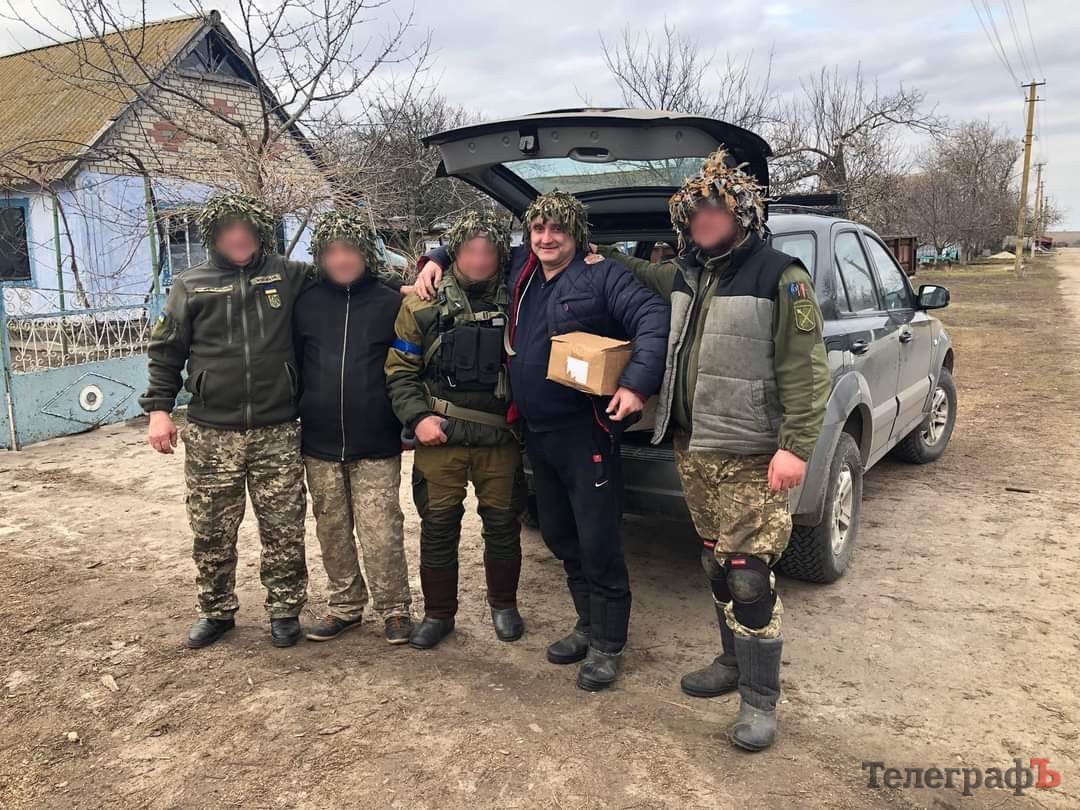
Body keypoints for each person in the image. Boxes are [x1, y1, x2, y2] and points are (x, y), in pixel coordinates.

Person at [589, 148, 829, 749]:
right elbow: (635, 270)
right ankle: (730, 662)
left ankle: (759, 701)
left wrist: (796, 446)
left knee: (748, 576)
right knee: (716, 563)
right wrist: (594, 252)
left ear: (742, 213)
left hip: (752, 452)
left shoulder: (780, 276)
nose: (705, 219)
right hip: (694, 448)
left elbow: (807, 371)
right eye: (695, 212)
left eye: (716, 209)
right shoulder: (686, 275)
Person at [414, 191, 669, 690]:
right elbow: (479, 245)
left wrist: (636, 384)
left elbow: (653, 317)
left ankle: (607, 643)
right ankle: (586, 624)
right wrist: (436, 257)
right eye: (538, 229)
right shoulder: (523, 270)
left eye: (558, 230)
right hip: (537, 433)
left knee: (598, 540)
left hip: (585, 432)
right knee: (559, 534)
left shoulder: (603, 275)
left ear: (577, 235)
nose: (547, 238)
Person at [141, 194, 315, 649]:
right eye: (227, 230)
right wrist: (159, 410)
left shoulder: (287, 274)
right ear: (214, 236)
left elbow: (348, 275)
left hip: (277, 428)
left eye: (245, 229)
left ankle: (285, 610)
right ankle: (216, 610)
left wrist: (429, 266)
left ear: (259, 232)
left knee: (284, 525)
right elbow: (165, 351)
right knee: (212, 528)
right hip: (212, 431)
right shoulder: (191, 285)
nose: (238, 237)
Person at [385, 211, 524, 650]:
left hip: (499, 438)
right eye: (469, 251)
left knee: (503, 525)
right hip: (440, 435)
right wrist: (418, 419)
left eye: (488, 251)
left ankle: (504, 605)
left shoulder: (520, 298)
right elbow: (400, 372)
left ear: (500, 254)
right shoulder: (421, 304)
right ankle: (439, 614)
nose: (479, 259)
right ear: (455, 253)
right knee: (439, 526)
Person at [294, 209, 414, 646]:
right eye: (331, 252)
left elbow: (409, 364)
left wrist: (405, 421)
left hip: (376, 441)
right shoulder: (306, 302)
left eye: (349, 250)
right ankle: (345, 606)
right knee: (331, 530)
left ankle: (395, 607)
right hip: (319, 442)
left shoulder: (390, 302)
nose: (341, 259)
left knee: (382, 530)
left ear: (365, 253)